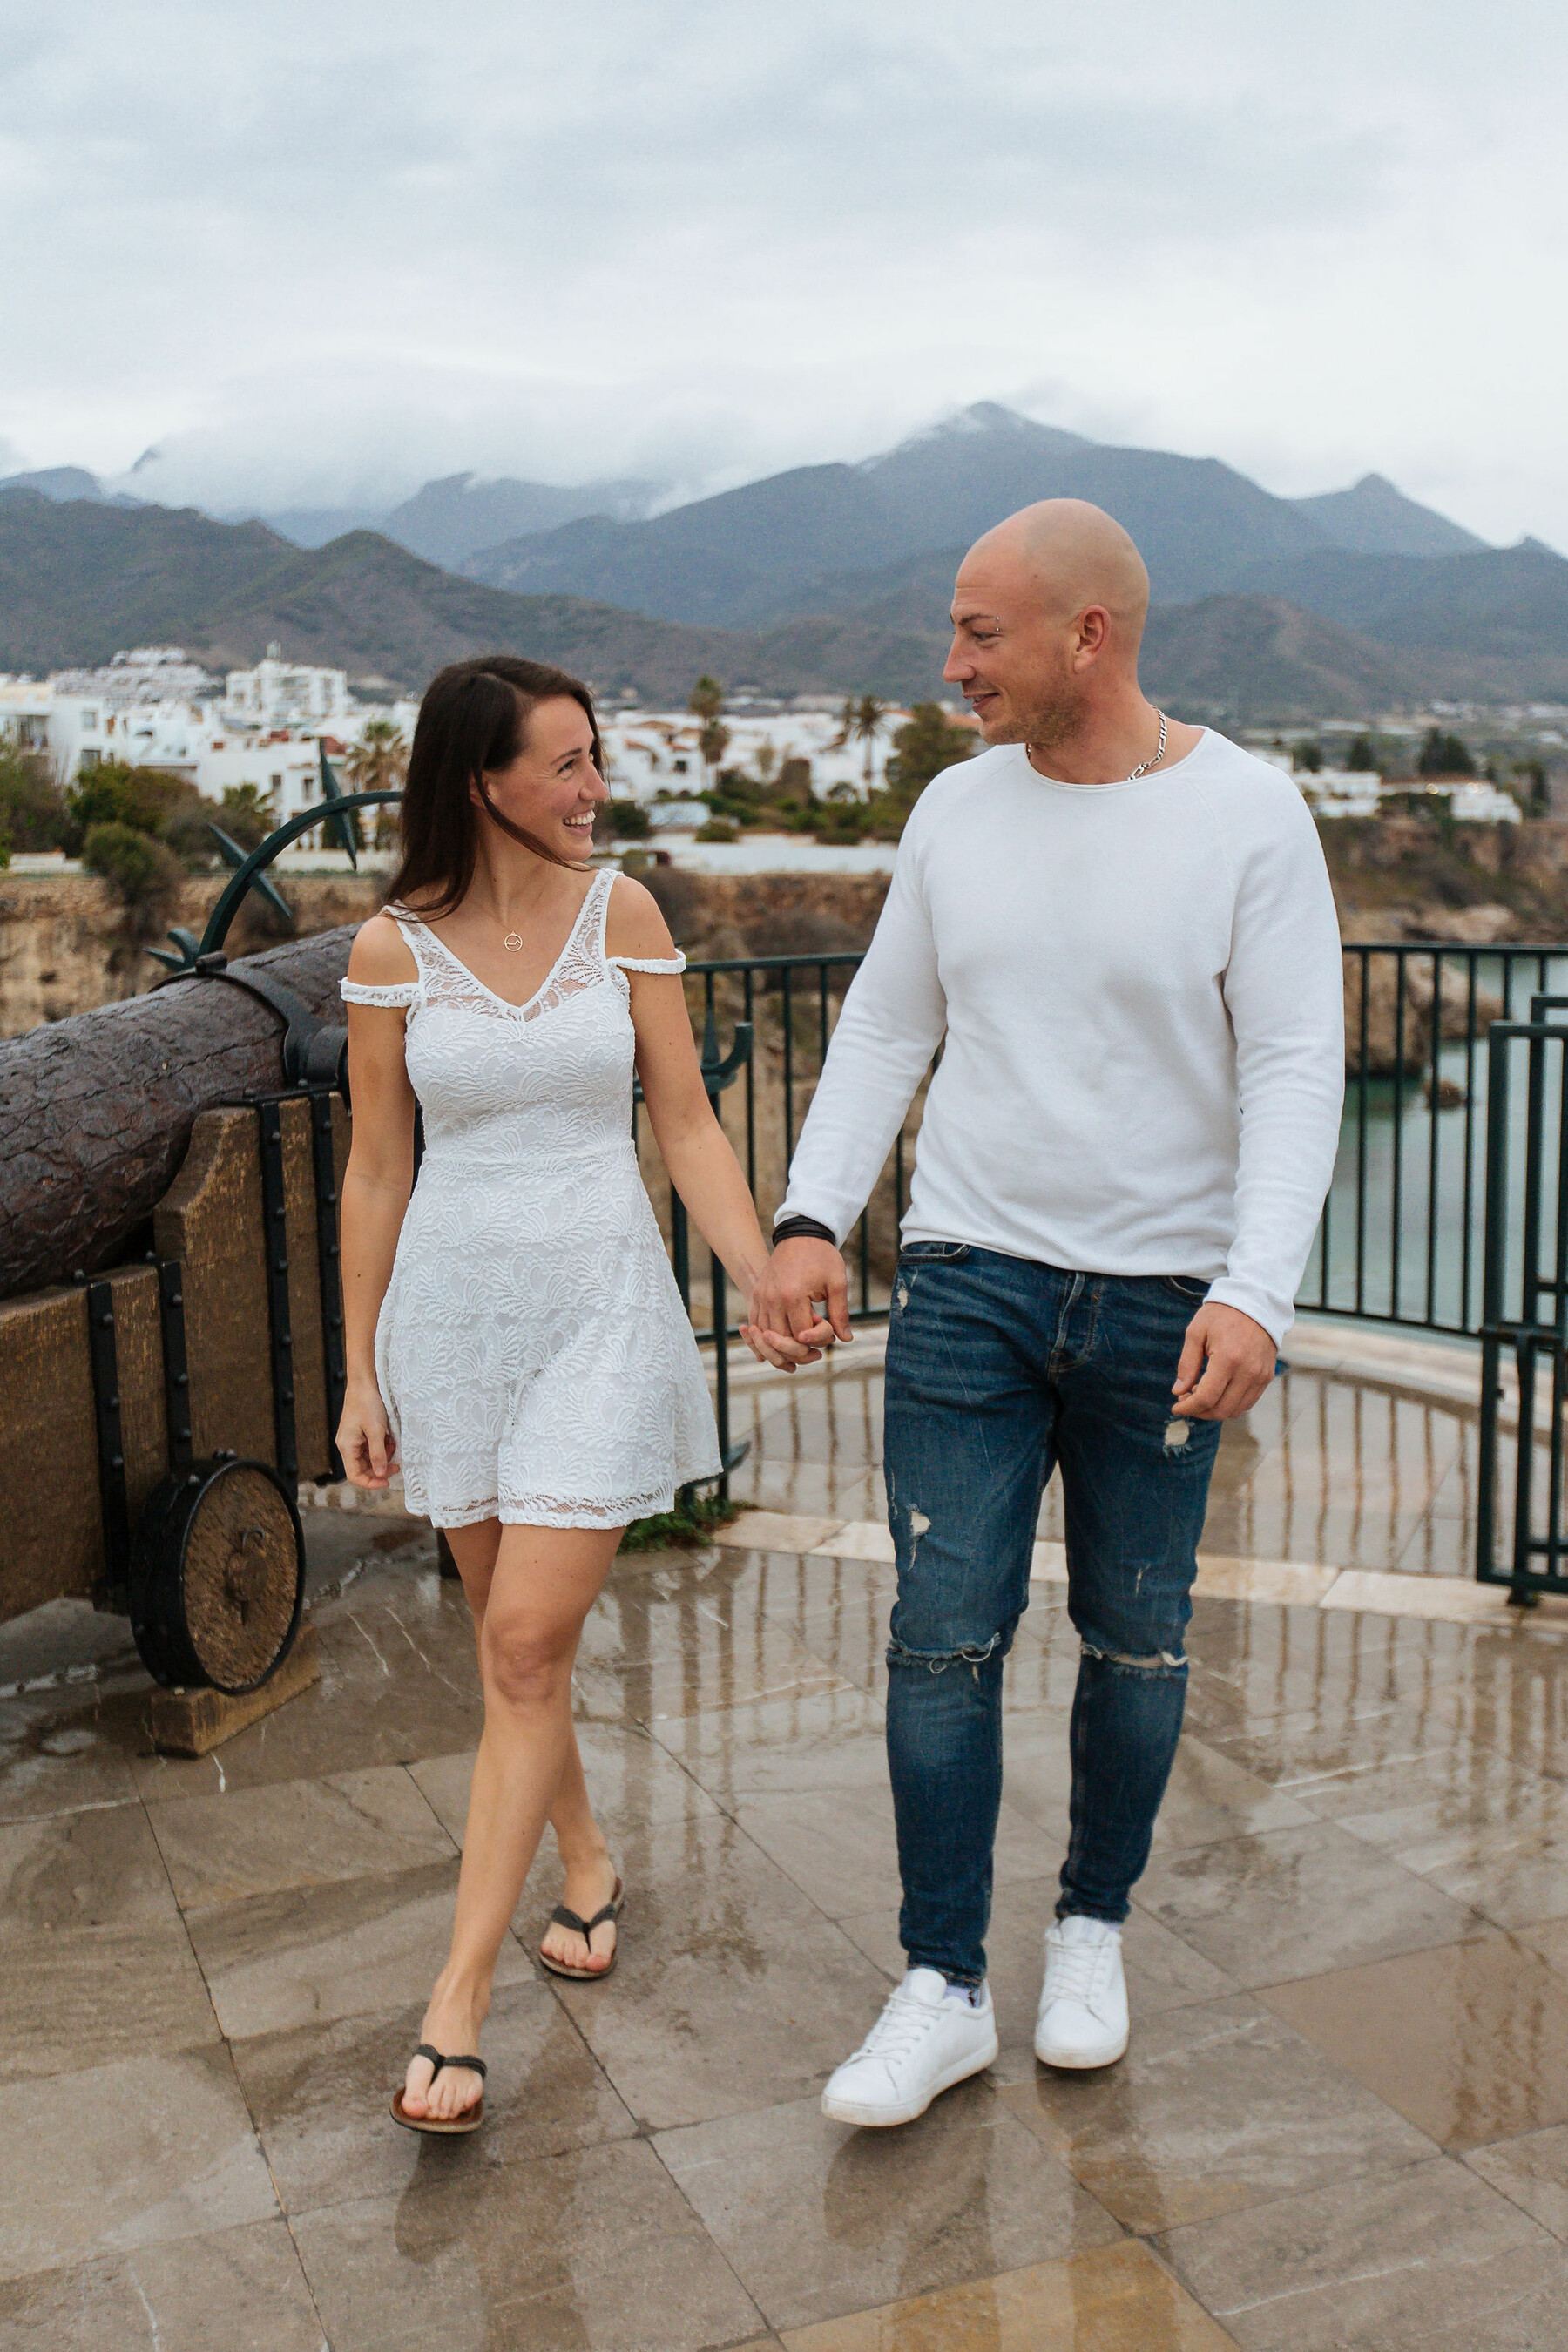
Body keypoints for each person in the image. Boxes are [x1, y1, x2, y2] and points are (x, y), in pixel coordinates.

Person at [746, 500, 1345, 2126]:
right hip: (969, 1284)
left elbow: (1295, 1066)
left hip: (1166, 1297)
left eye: (981, 634)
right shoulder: (956, 811)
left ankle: (1090, 1930)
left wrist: (1256, 1292)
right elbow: (881, 1031)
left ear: (1091, 635)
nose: (953, 669)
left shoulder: (1247, 817)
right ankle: (940, 1981)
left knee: (1137, 1642)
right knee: (940, 1636)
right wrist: (810, 1220)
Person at [337, 655, 774, 2132]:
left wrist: (763, 1269)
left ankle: (455, 2006)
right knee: (510, 1650)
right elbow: (378, 1169)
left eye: (599, 760)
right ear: (483, 783)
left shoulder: (625, 913)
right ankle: (584, 1863)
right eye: (570, 764)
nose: (597, 790)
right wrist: (358, 1365)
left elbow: (691, 1131)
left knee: (525, 1640)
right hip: (452, 1326)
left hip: (598, 1309)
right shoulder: (391, 950)